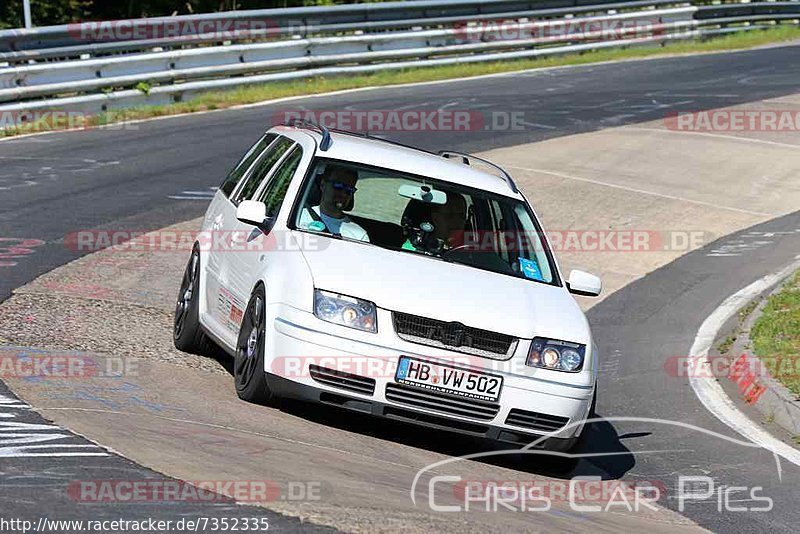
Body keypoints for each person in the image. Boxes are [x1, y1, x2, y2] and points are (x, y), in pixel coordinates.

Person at [298, 165, 370, 242]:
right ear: (322, 185)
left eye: (349, 190)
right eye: (338, 186)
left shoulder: (359, 236)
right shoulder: (297, 217)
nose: (343, 194)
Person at [401, 191, 467, 253]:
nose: (457, 222)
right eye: (449, 215)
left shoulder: (469, 255)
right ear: (433, 217)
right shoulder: (404, 250)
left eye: (461, 216)